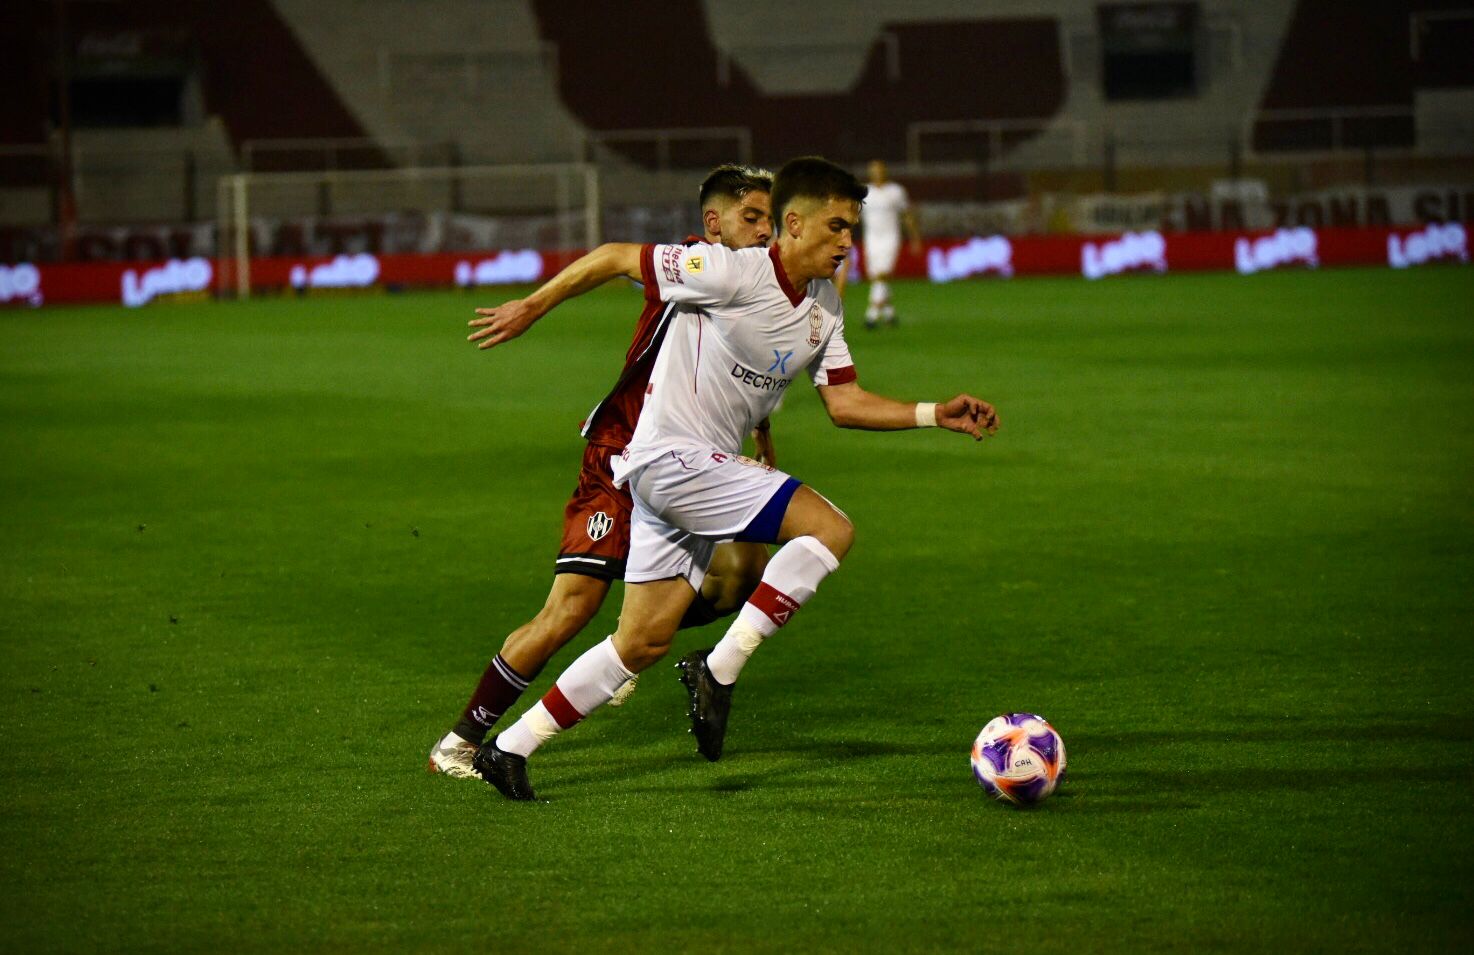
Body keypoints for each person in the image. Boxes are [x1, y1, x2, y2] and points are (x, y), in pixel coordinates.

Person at [467, 157, 998, 800]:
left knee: (640, 640)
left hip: (691, 477)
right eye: (835, 227)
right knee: (829, 529)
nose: (846, 243)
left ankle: (508, 747)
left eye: (852, 229)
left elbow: (845, 403)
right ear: (792, 224)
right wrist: (532, 305)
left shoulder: (824, 308)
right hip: (671, 456)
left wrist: (931, 414)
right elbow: (612, 256)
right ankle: (717, 669)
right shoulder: (732, 270)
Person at [428, 164, 778, 779]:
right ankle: (460, 741)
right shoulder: (698, 264)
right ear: (713, 222)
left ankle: (626, 645)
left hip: (692, 459)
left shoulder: (756, 284)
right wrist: (533, 306)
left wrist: (762, 429)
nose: (763, 231)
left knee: (741, 575)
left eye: (770, 220)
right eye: (751, 218)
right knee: (570, 608)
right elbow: (615, 255)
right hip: (622, 454)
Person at [858, 159, 923, 329]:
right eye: (874, 170)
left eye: (879, 169)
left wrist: (915, 237)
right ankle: (889, 313)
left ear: (885, 171)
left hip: (890, 238)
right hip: (871, 239)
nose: (877, 173)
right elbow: (854, 216)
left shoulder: (896, 191)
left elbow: (907, 215)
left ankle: (871, 315)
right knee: (875, 277)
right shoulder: (865, 192)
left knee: (882, 274)